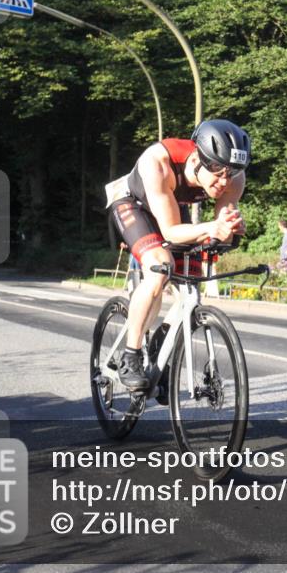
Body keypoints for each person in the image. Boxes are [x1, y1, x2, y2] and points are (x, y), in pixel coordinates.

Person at [106, 119, 249, 390]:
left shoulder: (233, 178)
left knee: (190, 283)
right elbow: (171, 231)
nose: (223, 181)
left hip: (171, 205)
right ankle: (131, 354)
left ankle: (161, 342)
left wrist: (231, 230)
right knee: (160, 267)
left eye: (231, 173)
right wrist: (210, 227)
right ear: (197, 158)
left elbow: (220, 231)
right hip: (133, 204)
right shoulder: (158, 162)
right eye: (217, 171)